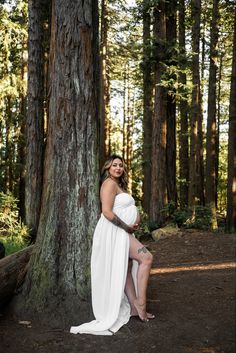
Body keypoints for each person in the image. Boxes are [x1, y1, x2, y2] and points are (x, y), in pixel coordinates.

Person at [70, 155, 154, 335]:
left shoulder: (119, 185)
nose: (118, 168)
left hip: (123, 232)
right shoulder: (108, 183)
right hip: (115, 232)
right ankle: (141, 303)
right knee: (146, 257)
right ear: (108, 168)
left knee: (127, 266)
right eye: (114, 165)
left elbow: (120, 209)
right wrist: (126, 227)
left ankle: (133, 307)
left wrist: (133, 224)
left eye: (121, 165)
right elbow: (107, 212)